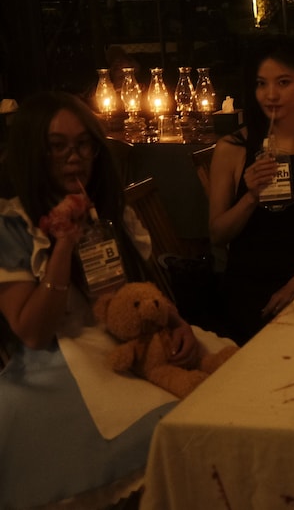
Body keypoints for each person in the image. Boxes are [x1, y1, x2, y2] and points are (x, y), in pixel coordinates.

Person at [0, 91, 199, 508]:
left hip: (127, 340)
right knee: (169, 422)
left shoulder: (111, 211)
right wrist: (62, 245)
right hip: (60, 358)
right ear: (33, 153)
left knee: (220, 384)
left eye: (83, 144)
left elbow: (139, 291)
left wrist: (177, 322)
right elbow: (33, 333)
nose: (74, 158)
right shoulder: (12, 225)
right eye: (57, 146)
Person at [209, 41, 294, 344]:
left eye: (283, 82)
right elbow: (217, 235)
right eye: (261, 84)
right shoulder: (232, 148)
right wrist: (250, 197)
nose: (271, 94)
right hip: (246, 290)